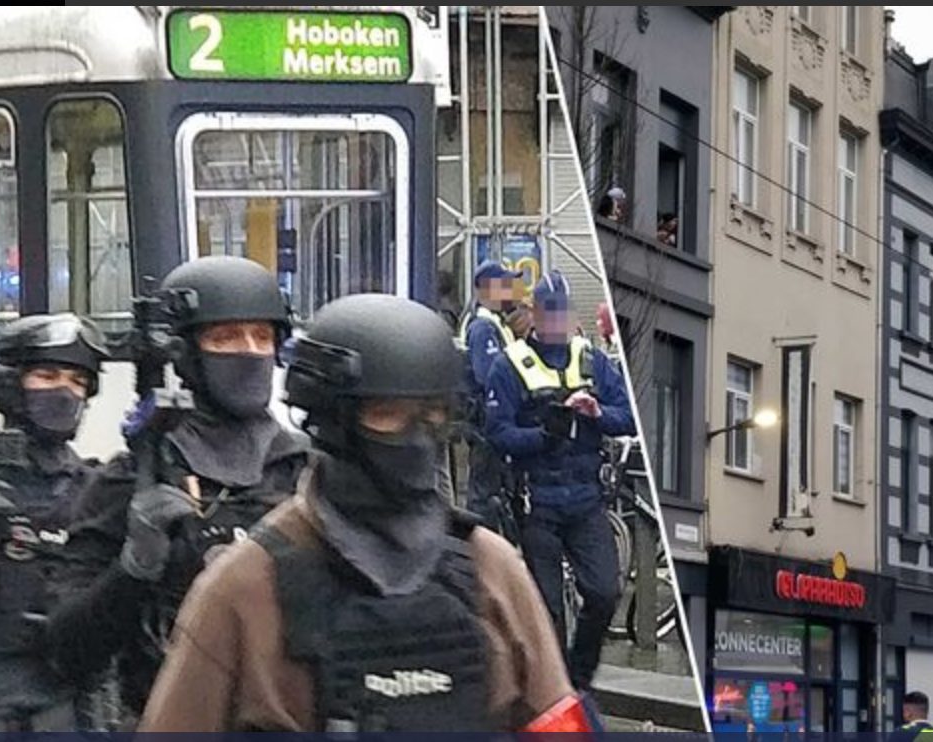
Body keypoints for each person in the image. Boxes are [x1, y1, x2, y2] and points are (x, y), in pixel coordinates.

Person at [137, 293, 588, 732]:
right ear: (331, 421)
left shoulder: (492, 569)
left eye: (431, 414)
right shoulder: (244, 588)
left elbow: (555, 721)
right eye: (386, 414)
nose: (414, 436)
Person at [44, 256, 310, 717]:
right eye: (224, 337)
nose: (248, 351)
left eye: (261, 337)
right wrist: (133, 569)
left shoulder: (309, 471)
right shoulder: (133, 476)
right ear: (187, 353)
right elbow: (66, 649)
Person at [0, 314, 109, 731]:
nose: (64, 391)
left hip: (70, 708)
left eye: (77, 381)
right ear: (11, 385)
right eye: (47, 374)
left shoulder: (99, 491)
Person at [483, 271, 636, 693]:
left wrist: (595, 413)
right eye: (549, 313)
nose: (556, 323)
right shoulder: (510, 365)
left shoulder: (592, 360)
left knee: (605, 593)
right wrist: (545, 433)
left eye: (563, 314)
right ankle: (551, 692)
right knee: (546, 610)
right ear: (535, 314)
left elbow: (627, 416)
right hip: (538, 502)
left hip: (586, 498)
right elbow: (497, 435)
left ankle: (577, 678)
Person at [455, 260, 535, 525]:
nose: (512, 291)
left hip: (494, 422)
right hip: (487, 425)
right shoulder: (483, 328)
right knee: (484, 497)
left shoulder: (497, 326)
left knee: (497, 493)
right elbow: (488, 375)